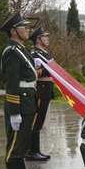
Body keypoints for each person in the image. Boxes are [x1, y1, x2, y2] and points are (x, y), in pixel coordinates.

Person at [0, 11, 44, 169]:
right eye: (23, 27)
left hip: (28, 103)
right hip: (19, 105)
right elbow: (11, 83)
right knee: (14, 148)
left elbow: (28, 75)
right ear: (13, 31)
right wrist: (14, 112)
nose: (27, 30)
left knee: (22, 146)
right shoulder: (11, 52)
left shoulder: (21, 50)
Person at [27, 26, 52, 161]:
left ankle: (36, 149)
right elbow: (33, 72)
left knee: (40, 120)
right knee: (36, 120)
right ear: (38, 40)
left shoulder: (44, 54)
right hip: (41, 88)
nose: (47, 39)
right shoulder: (35, 55)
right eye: (45, 37)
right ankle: (31, 151)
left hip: (46, 88)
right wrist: (48, 69)